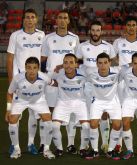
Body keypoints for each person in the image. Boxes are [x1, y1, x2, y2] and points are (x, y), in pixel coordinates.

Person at [6, 8, 45, 155]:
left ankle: (30, 143)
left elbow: (44, 57)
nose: (29, 20)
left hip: (36, 81)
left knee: (33, 114)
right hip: (19, 81)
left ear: (36, 20)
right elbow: (9, 59)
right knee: (15, 115)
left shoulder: (42, 35)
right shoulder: (15, 35)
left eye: (32, 17)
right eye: (27, 17)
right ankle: (14, 145)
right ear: (23, 19)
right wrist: (11, 80)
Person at [41, 10, 80, 154]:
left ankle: (70, 144)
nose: (62, 20)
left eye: (65, 18)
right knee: (49, 112)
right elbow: (43, 60)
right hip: (51, 80)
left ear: (69, 21)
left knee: (70, 111)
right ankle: (46, 143)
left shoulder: (75, 38)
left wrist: (64, 66)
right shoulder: (48, 38)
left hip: (69, 80)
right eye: (60, 18)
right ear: (56, 21)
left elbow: (78, 61)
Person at [113, 16, 137, 154]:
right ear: (125, 27)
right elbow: (112, 59)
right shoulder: (118, 42)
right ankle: (119, 144)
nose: (131, 27)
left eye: (133, 25)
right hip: (123, 81)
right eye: (128, 24)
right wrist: (123, 67)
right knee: (123, 114)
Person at [76, 20, 116, 154]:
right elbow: (77, 63)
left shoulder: (109, 47)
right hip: (88, 86)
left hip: (104, 86)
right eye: (93, 30)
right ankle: (85, 145)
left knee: (104, 115)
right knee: (88, 116)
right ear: (89, 31)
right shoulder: (82, 46)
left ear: (101, 31)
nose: (95, 33)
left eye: (97, 30)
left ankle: (105, 143)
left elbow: (114, 63)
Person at [5, 57, 55, 159]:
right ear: (25, 68)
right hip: (21, 100)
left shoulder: (44, 77)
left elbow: (54, 83)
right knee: (12, 120)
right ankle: (16, 148)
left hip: (38, 100)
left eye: (34, 68)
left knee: (48, 120)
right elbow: (9, 93)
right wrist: (8, 110)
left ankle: (46, 149)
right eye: (29, 68)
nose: (32, 71)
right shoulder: (18, 78)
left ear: (38, 68)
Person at [51, 54, 90, 157]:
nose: (68, 65)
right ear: (62, 64)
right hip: (63, 102)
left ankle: (82, 149)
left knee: (86, 126)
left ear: (76, 64)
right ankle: (59, 149)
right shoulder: (57, 73)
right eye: (65, 62)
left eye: (71, 62)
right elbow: (51, 81)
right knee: (54, 126)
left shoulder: (84, 73)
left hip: (80, 102)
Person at [84, 53, 122, 160]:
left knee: (117, 125)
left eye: (105, 63)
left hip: (112, 101)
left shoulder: (117, 72)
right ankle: (95, 151)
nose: (103, 66)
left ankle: (110, 150)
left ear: (110, 63)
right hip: (98, 101)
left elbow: (129, 68)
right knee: (93, 124)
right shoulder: (91, 74)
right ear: (96, 64)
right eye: (100, 63)